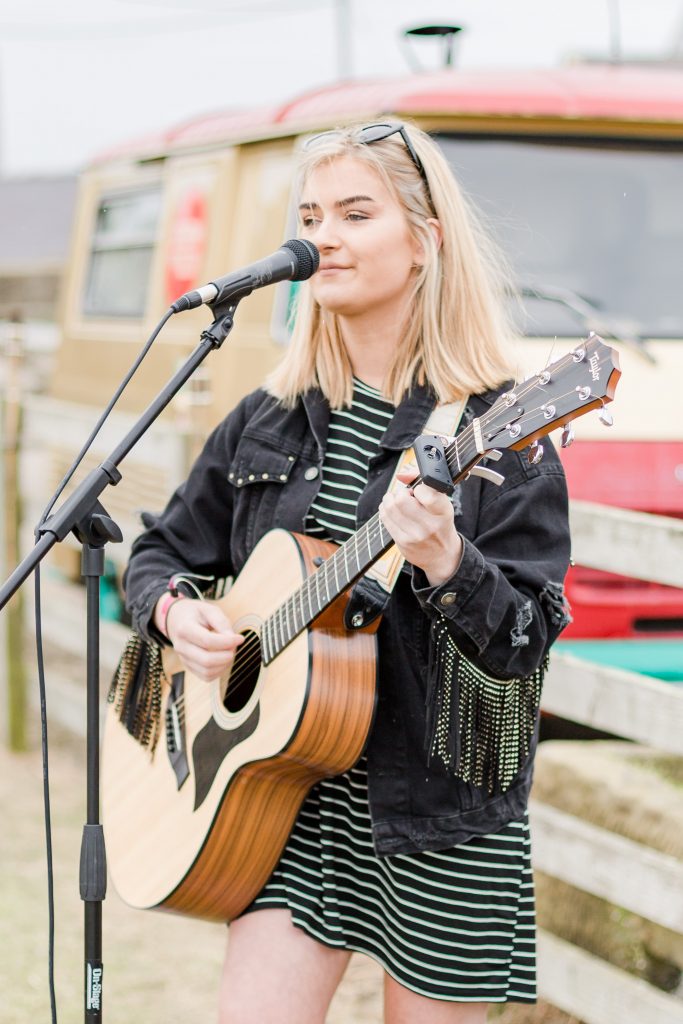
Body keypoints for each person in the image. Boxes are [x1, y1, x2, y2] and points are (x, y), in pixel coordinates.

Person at [123, 121, 572, 1024]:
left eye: (354, 214)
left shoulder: (501, 432)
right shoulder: (269, 419)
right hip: (279, 800)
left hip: (439, 814)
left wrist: (446, 558)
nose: (321, 236)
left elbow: (524, 647)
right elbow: (158, 553)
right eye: (310, 214)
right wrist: (176, 615)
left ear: (424, 241)